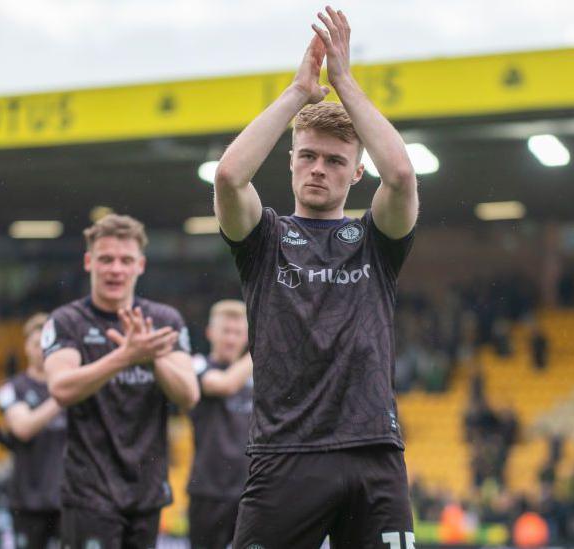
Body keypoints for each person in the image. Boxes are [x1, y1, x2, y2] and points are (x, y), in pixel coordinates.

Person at [212, 6, 419, 547]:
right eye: (307, 157)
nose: (318, 169)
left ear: (357, 171)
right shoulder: (265, 240)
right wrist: (299, 93)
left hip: (372, 451)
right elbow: (230, 176)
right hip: (285, 455)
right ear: (290, 163)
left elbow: (399, 174)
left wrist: (344, 82)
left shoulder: (376, 240)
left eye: (333, 160)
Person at [43, 214, 199, 548]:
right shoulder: (66, 321)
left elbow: (189, 396)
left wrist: (152, 357)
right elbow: (61, 389)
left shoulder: (164, 320)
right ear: (89, 262)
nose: (116, 269)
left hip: (147, 492)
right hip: (88, 492)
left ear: (140, 265)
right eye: (106, 259)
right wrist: (125, 356)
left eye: (126, 260)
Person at [186, 300, 253, 549]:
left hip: (252, 490)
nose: (231, 338)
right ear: (209, 332)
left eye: (238, 332)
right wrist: (263, 345)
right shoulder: (196, 364)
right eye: (225, 331)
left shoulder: (258, 374)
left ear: (246, 336)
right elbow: (224, 384)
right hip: (208, 490)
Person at [0, 313, 66, 549]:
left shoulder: (72, 387)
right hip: (26, 502)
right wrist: (63, 397)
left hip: (67, 501)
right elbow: (23, 428)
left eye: (47, 343)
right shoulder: (12, 388)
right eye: (36, 344)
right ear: (26, 347)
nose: (41, 350)